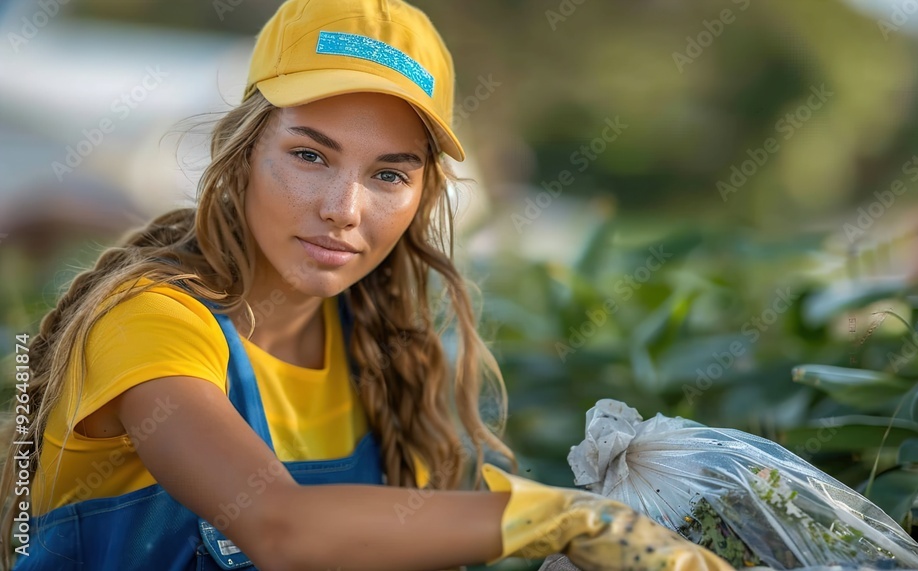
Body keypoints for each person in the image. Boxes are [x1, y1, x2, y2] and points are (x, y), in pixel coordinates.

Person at [0, 1, 734, 569]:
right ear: (243, 149)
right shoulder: (151, 321)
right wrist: (567, 518)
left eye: (388, 173)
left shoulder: (373, 350)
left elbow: (411, 522)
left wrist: (630, 507)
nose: (344, 210)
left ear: (421, 195)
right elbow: (278, 527)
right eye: (310, 155)